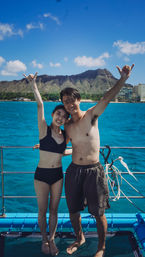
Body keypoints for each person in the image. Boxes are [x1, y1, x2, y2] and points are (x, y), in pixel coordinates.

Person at [60, 64, 134, 257]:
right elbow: (67, 148)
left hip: (94, 170)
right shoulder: (67, 126)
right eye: (65, 101)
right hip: (74, 171)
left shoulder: (91, 115)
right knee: (73, 211)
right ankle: (80, 238)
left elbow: (107, 97)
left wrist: (123, 78)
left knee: (98, 212)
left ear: (78, 100)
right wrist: (49, 150)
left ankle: (101, 247)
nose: (69, 104)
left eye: (71, 100)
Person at [23, 72, 71, 256]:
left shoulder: (65, 136)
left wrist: (76, 151)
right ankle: (44, 240)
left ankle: (52, 240)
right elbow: (40, 105)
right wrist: (34, 84)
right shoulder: (44, 130)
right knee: (42, 211)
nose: (60, 118)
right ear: (53, 114)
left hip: (58, 175)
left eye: (63, 116)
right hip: (42, 176)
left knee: (54, 210)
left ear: (66, 120)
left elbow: (60, 152)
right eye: (58, 114)